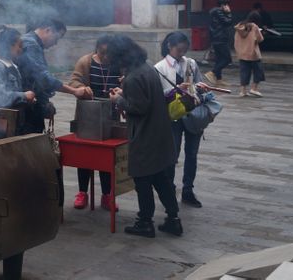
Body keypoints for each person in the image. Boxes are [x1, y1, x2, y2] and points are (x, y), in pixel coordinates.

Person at [107, 35, 181, 238]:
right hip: (160, 134)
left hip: (145, 137)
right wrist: (125, 93)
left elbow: (138, 107)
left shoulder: (133, 77)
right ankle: (174, 219)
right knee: (161, 179)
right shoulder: (147, 68)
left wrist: (118, 99)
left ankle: (145, 222)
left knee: (142, 180)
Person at [155, 31, 213, 209]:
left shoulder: (191, 63)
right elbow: (158, 96)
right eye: (179, 50)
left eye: (184, 50)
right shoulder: (160, 68)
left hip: (192, 113)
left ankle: (188, 190)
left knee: (192, 155)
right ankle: (169, 189)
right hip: (173, 116)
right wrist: (176, 90)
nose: (182, 54)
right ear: (169, 47)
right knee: (172, 156)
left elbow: (197, 85)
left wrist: (199, 87)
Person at [67, 34, 121, 211]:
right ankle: (82, 192)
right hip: (87, 115)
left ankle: (107, 195)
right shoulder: (85, 62)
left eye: (109, 53)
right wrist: (81, 88)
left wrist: (122, 88)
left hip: (110, 115)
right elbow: (73, 81)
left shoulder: (118, 64)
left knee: (108, 157)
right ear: (97, 48)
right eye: (103, 52)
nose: (106, 57)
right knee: (84, 155)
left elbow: (126, 83)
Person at [15, 18, 92, 134]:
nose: (55, 43)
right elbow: (43, 77)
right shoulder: (31, 44)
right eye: (57, 38)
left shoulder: (33, 43)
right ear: (48, 30)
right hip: (25, 106)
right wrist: (74, 91)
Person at [235, 11, 265, 98]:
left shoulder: (239, 26)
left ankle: (242, 91)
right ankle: (254, 88)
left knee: (244, 72)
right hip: (253, 53)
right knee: (258, 71)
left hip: (242, 53)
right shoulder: (254, 26)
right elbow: (260, 39)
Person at [206, 0, 234, 86]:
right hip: (221, 39)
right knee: (227, 59)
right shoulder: (219, 12)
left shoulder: (214, 12)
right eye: (227, 5)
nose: (228, 7)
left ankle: (219, 79)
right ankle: (212, 72)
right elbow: (228, 22)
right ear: (223, 5)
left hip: (215, 39)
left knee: (219, 59)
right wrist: (229, 13)